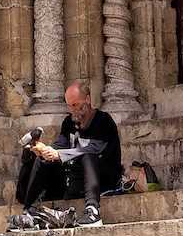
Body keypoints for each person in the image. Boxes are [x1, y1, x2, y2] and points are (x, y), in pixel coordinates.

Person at [15, 80, 122, 227]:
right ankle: (29, 211)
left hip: (102, 179)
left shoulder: (103, 121)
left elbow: (93, 149)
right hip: (74, 181)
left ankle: (93, 212)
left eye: (76, 105)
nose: (72, 110)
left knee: (88, 157)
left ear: (88, 100)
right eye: (69, 105)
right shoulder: (68, 123)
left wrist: (59, 155)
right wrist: (43, 150)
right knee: (43, 160)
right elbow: (59, 146)